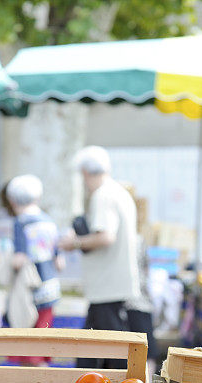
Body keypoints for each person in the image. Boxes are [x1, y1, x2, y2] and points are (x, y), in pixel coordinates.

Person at [59, 146, 141, 369]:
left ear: (85, 172)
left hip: (107, 285)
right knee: (100, 346)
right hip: (114, 283)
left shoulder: (103, 196)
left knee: (108, 349)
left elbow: (106, 237)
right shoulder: (119, 192)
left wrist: (73, 242)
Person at [5, 174, 64, 332]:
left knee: (27, 335)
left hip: (31, 288)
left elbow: (19, 258)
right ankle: (45, 357)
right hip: (50, 287)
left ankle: (31, 358)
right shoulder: (49, 221)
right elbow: (59, 262)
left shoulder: (21, 222)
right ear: (38, 197)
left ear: (12, 200)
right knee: (45, 333)